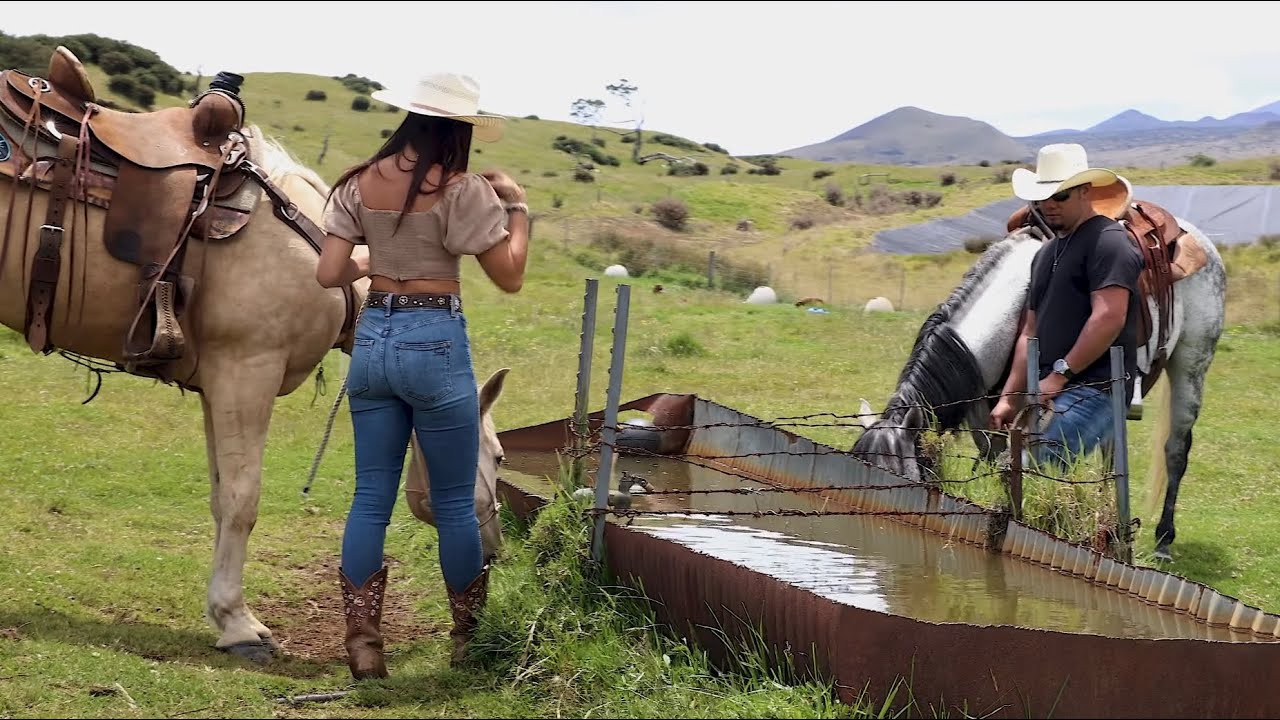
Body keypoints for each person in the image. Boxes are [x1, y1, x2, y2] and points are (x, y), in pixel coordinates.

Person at [315, 71, 529, 680]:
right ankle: (467, 641)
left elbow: (330, 274)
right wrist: (516, 208)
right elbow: (510, 276)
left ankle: (363, 644)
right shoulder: (463, 191)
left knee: (369, 497)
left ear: (409, 119)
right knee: (457, 501)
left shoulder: (358, 183)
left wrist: (377, 256)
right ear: (460, 129)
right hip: (434, 341)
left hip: (374, 340)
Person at [988, 143, 1144, 468]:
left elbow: (1108, 317)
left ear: (1085, 191)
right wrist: (1008, 398)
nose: (1049, 205)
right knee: (1015, 472)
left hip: (1096, 388)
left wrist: (1060, 374)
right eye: (1041, 198)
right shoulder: (1044, 255)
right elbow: (1029, 333)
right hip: (1046, 389)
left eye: (1060, 196)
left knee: (1036, 466)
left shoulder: (1109, 242)